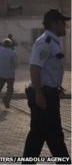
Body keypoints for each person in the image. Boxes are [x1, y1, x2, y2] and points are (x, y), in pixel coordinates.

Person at [23, 9, 70, 162]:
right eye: (63, 22)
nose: (66, 25)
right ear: (54, 23)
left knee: (39, 135)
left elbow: (49, 69)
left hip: (48, 93)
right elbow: (35, 67)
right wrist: (39, 93)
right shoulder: (45, 42)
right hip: (44, 96)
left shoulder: (53, 41)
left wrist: (56, 86)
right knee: (54, 136)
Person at [0, 38, 17, 110]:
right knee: (10, 90)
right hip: (10, 75)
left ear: (3, 44)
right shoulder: (13, 53)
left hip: (0, 74)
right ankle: (6, 100)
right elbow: (15, 65)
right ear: (10, 45)